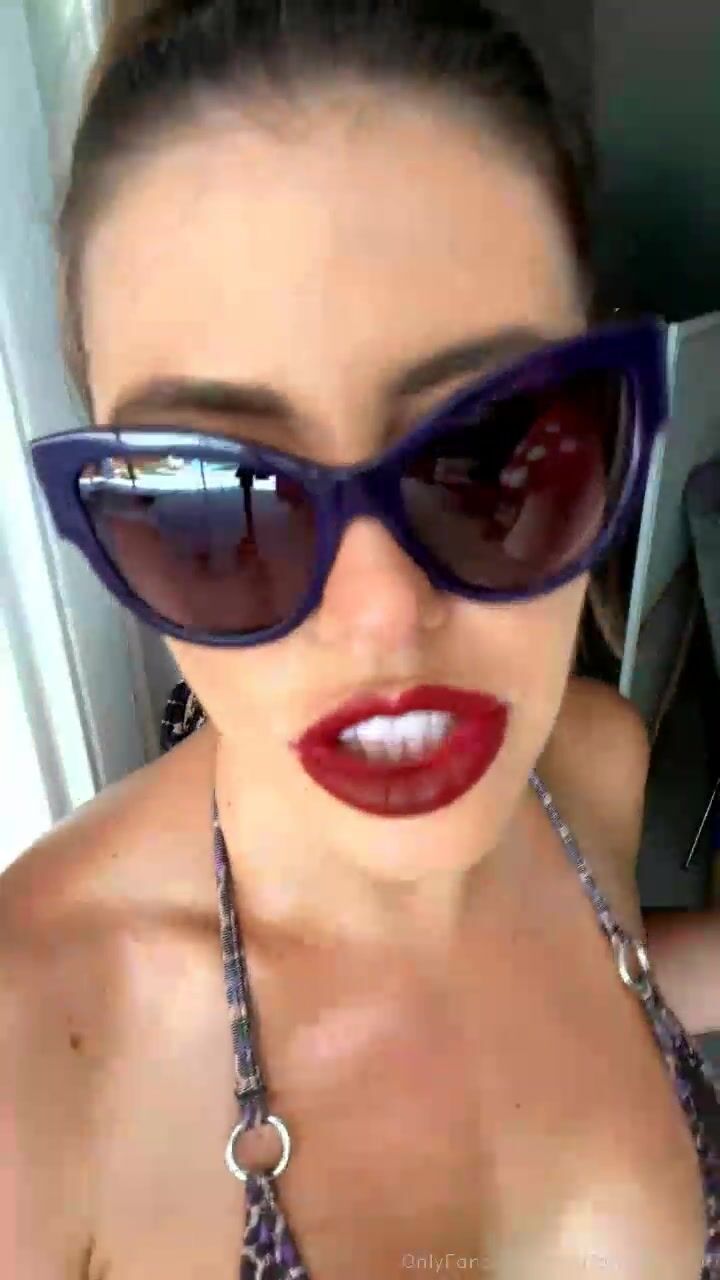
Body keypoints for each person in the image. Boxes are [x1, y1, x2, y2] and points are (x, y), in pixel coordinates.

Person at [2, 2, 719, 1277]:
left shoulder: (590, 761)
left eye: (493, 448)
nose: (383, 612)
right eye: (210, 501)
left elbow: (582, 958)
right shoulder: (34, 1062)